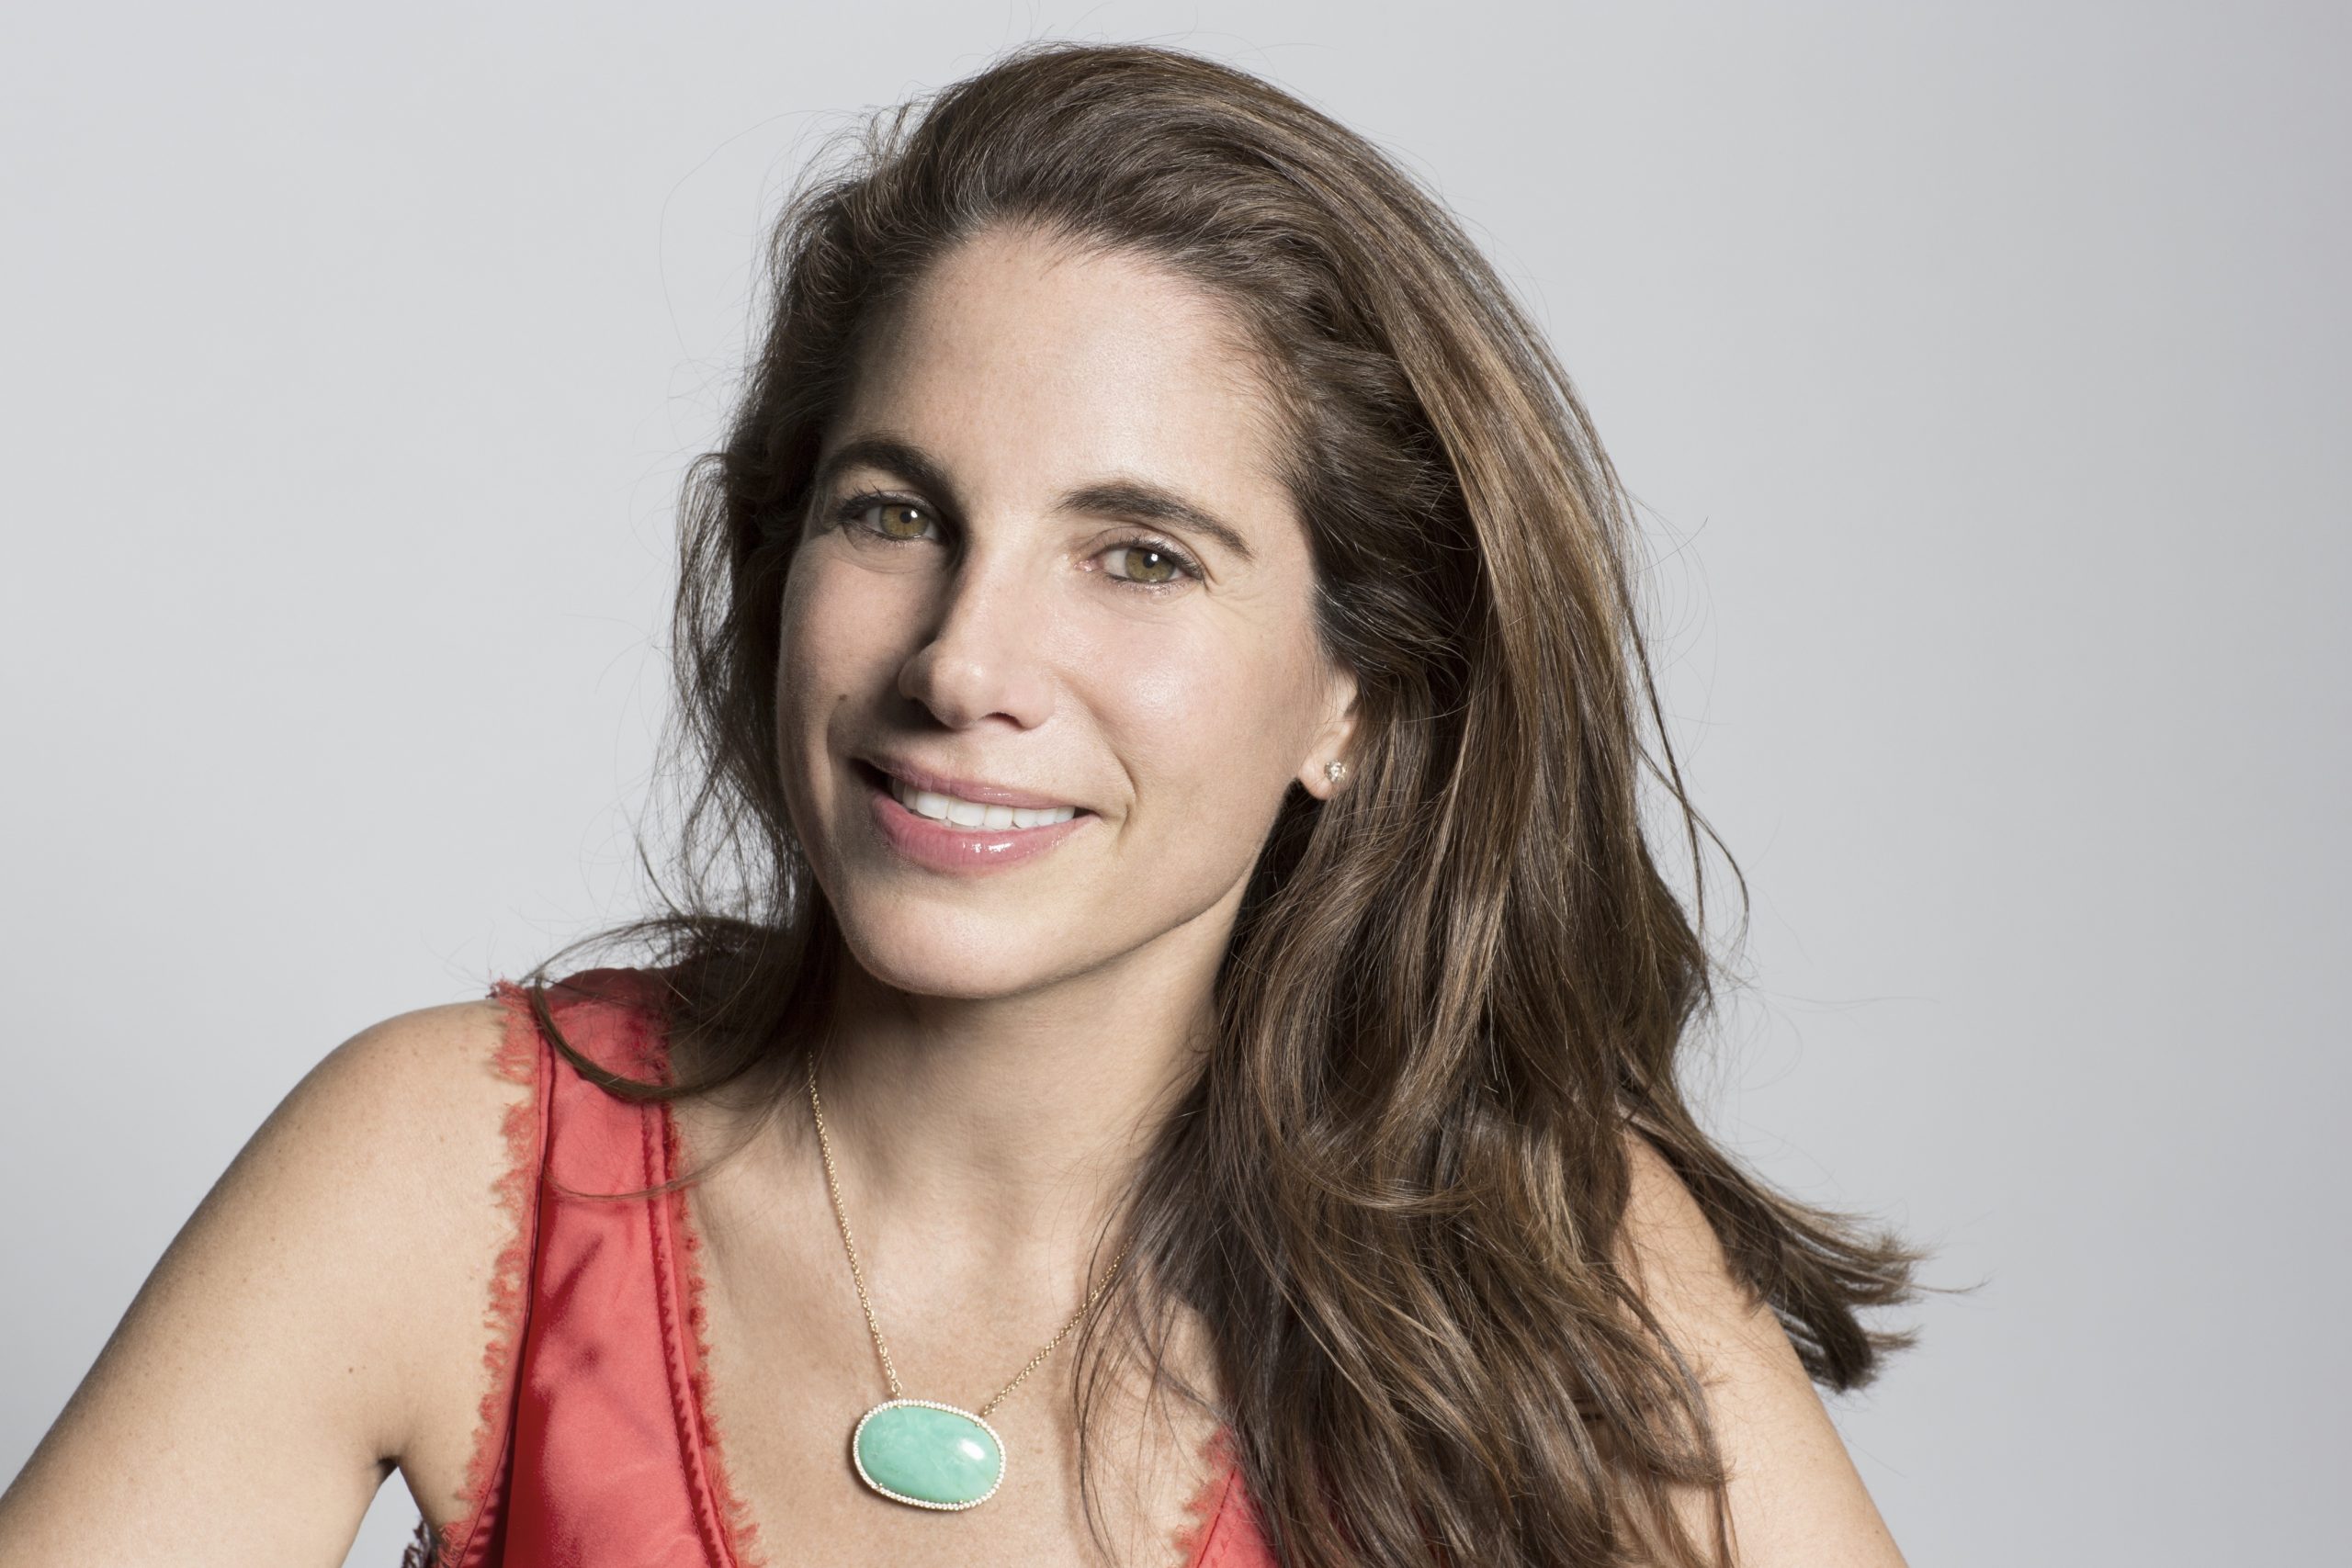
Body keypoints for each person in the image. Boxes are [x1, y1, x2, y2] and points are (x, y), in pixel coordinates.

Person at [0, 40, 1927, 1568]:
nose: (964, 659)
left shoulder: (1550, 1269)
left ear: (1357, 692)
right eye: (897, 513)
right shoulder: (450, 1170)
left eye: (1139, 555)